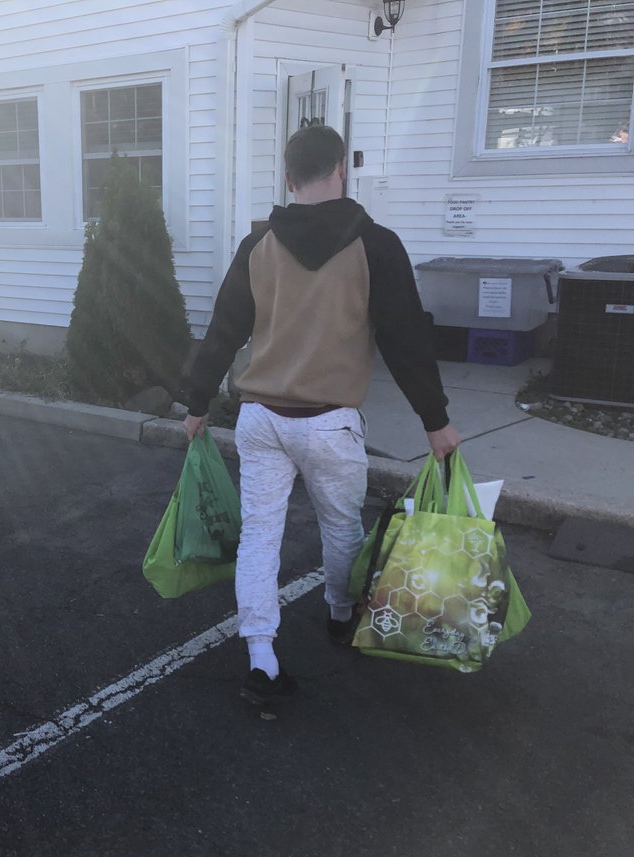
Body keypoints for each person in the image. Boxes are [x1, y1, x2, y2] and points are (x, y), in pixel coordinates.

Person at [182, 125, 459, 705]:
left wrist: (198, 401)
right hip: (331, 424)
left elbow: (224, 329)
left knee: (260, 536)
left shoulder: (257, 245)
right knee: (341, 528)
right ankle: (339, 616)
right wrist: (435, 422)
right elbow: (406, 340)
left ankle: (261, 658)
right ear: (341, 170)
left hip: (260, 418)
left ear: (287, 178)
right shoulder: (376, 244)